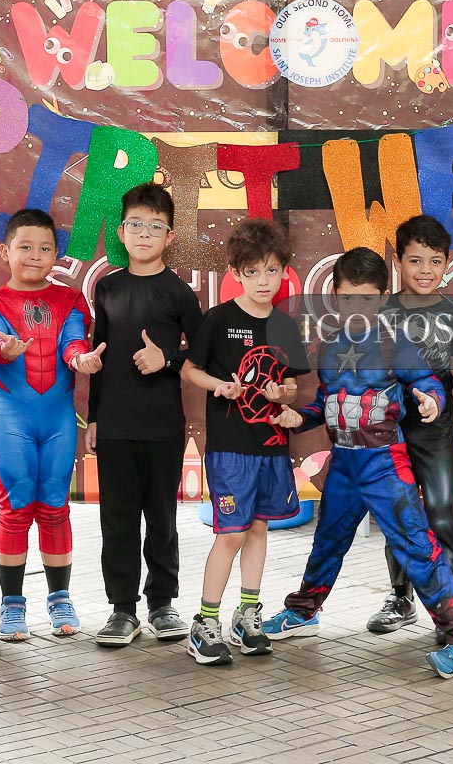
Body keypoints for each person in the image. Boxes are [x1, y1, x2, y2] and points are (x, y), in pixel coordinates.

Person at [264, 248, 453, 679]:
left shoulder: (398, 342)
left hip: (385, 466)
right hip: (344, 464)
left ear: (382, 298)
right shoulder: (330, 346)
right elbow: (326, 402)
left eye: (367, 299)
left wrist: (432, 402)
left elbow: (429, 383)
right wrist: (298, 418)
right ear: (335, 296)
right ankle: (304, 611)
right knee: (327, 541)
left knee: (417, 546)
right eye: (348, 298)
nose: (357, 308)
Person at [0, 208, 105, 641]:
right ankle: (11, 604)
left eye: (45, 248)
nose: (35, 255)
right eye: (25, 247)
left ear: (55, 255)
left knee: (54, 506)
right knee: (15, 507)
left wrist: (81, 359)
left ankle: (59, 598)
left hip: (58, 419)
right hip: (12, 418)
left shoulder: (71, 300)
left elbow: (72, 341)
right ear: (4, 252)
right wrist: (4, 347)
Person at [181, 218, 309, 665]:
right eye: (252, 272)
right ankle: (204, 622)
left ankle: (247, 615)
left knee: (258, 529)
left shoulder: (286, 326)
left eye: (271, 270)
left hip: (271, 447)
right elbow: (189, 370)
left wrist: (281, 396)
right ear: (236, 273)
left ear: (285, 271)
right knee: (232, 533)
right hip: (230, 448)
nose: (263, 280)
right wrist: (219, 385)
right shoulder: (218, 319)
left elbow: (292, 386)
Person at [86, 183, 204, 646]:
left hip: (162, 425)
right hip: (115, 423)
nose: (144, 234)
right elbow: (98, 353)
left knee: (161, 518)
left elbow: (204, 354)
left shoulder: (178, 293)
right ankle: (122, 609)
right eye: (135, 224)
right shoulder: (108, 287)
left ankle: (162, 604)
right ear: (121, 231)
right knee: (116, 519)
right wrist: (95, 417)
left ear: (170, 236)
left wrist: (167, 359)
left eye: (155, 227)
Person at [367, 216, 453, 638]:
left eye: (435, 261)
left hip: (435, 436)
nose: (426, 270)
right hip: (390, 436)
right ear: (398, 262)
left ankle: (450, 609)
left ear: (447, 263)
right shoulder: (381, 312)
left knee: (440, 516)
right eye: (415, 260)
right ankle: (400, 597)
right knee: (398, 516)